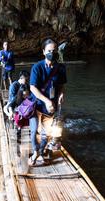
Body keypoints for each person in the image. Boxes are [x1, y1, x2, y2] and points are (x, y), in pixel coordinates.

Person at [29, 38, 67, 166]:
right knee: (34, 130)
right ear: (44, 52)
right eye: (49, 50)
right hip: (36, 105)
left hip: (51, 107)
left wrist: (61, 94)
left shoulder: (61, 68)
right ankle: (35, 152)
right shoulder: (37, 67)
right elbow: (32, 87)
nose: (52, 52)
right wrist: (45, 100)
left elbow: (61, 85)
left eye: (54, 50)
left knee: (46, 133)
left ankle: (39, 152)